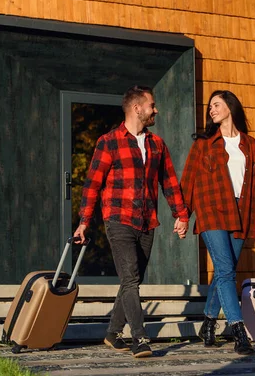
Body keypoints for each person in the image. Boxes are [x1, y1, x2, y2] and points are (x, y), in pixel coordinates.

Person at [73, 85, 189, 358]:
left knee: (131, 281)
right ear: (137, 108)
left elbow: (169, 182)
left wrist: (181, 215)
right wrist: (83, 221)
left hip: (147, 221)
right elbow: (92, 184)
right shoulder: (109, 141)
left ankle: (113, 334)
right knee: (131, 280)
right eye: (152, 105)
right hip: (118, 219)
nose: (155, 109)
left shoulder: (157, 144)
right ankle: (140, 338)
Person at [177, 90, 255, 355]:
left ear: (230, 107)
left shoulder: (253, 147)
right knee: (225, 268)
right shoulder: (204, 143)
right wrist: (183, 214)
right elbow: (188, 180)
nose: (211, 110)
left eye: (216, 105)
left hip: (241, 212)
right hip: (212, 210)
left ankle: (208, 324)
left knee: (225, 271)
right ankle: (238, 331)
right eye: (210, 107)